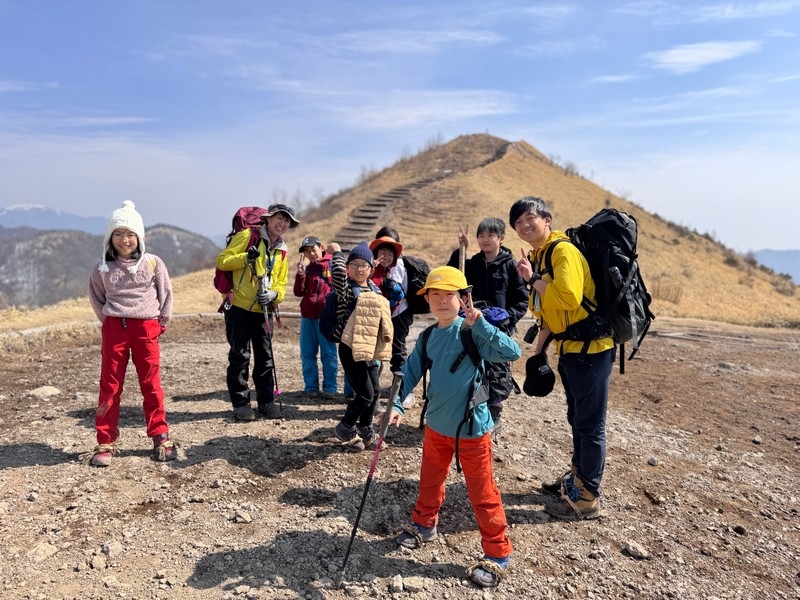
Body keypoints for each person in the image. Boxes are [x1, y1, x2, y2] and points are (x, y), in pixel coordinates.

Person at [384, 266, 521, 589]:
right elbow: (409, 372)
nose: (442, 301)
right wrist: (396, 405)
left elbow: (511, 352)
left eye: (450, 295)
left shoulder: (472, 331)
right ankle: (424, 525)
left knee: (483, 492)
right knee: (430, 481)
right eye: (435, 294)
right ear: (427, 300)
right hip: (436, 427)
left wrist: (481, 324)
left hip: (473, 430)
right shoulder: (428, 336)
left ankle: (497, 553)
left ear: (462, 299)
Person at [510, 196, 614, 521]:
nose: (524, 225)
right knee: (577, 419)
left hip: (591, 350)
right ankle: (577, 480)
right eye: (518, 222)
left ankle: (588, 498)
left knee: (590, 424)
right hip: (570, 349)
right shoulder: (542, 256)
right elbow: (547, 313)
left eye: (529, 218)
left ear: (547, 219)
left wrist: (532, 279)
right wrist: (537, 354)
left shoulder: (562, 251)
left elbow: (567, 298)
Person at [87, 200, 176, 467]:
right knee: (110, 385)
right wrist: (109, 321)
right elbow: (97, 298)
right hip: (115, 327)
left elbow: (166, 293)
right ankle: (105, 441)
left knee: (151, 383)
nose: (124, 240)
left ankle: (160, 436)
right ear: (109, 238)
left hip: (146, 326)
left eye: (130, 234)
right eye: (118, 234)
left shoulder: (153, 263)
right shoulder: (102, 268)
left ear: (140, 237)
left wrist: (161, 322)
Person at [215, 203, 298, 421]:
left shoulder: (282, 249)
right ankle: (241, 404)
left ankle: (266, 402)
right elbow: (222, 261)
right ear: (268, 219)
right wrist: (245, 258)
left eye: (287, 220)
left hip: (264, 308)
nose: (282, 223)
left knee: (265, 356)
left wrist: (275, 295)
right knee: (240, 356)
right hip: (239, 307)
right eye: (279, 218)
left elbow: (281, 282)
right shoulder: (247, 236)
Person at [447, 218, 529, 432]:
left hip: (498, 329)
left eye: (490, 235)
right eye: (480, 236)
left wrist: (507, 319)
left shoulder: (510, 266)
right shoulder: (472, 263)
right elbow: (454, 278)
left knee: (496, 369)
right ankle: (471, 409)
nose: (485, 240)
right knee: (472, 365)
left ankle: (495, 411)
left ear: (501, 238)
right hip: (472, 325)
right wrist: (461, 250)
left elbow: (522, 299)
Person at [329, 241, 393, 451]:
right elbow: (338, 274)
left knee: (375, 392)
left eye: (363, 265)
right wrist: (338, 254)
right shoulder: (346, 290)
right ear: (348, 267)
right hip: (350, 348)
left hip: (370, 348)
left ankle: (365, 429)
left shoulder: (375, 289)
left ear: (370, 268)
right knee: (365, 393)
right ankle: (345, 427)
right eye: (354, 264)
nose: (358, 269)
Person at [370, 226, 415, 408]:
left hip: (398, 315)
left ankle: (404, 392)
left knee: (398, 353)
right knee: (377, 354)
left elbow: (398, 295)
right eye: (383, 249)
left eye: (391, 250)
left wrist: (395, 295)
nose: (386, 255)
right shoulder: (375, 267)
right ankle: (375, 391)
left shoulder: (398, 265)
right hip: (382, 315)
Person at [293, 235, 338, 398]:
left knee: (329, 353)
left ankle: (330, 388)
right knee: (307, 353)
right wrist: (300, 274)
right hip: (308, 316)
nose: (311, 254)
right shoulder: (307, 269)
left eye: (313, 249)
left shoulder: (332, 265)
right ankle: (311, 386)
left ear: (322, 248)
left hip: (327, 317)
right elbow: (298, 292)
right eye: (307, 251)